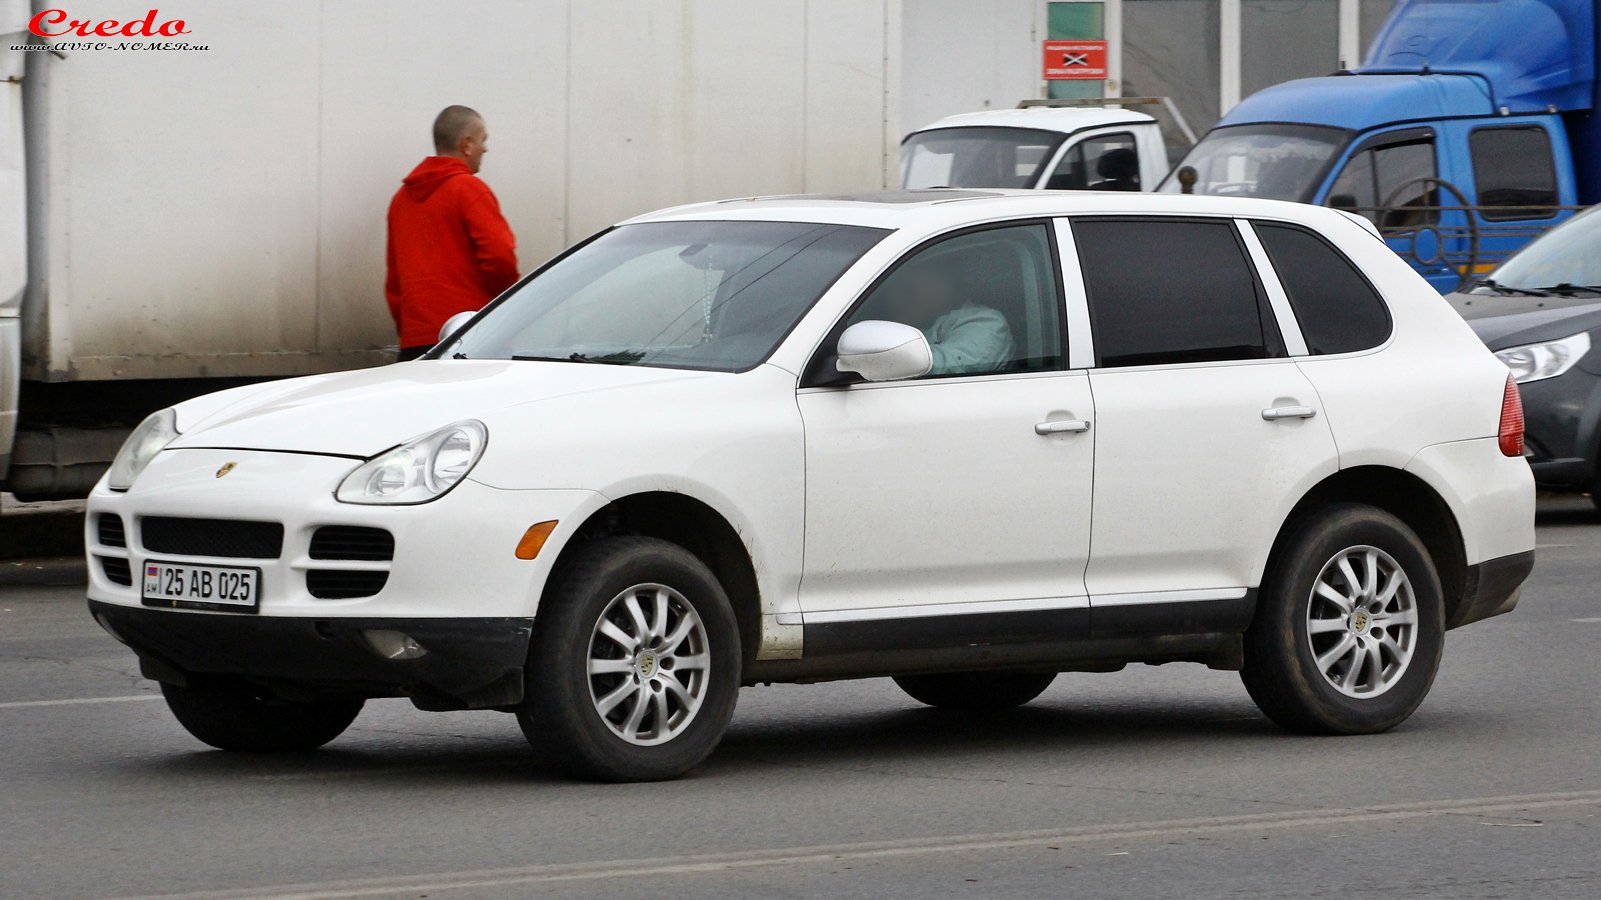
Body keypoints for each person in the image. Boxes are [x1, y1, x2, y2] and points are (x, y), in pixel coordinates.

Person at [385, 105, 519, 361]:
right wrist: (507, 316)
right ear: (466, 145)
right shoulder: (469, 190)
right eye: (483, 140)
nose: (485, 149)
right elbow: (500, 258)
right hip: (473, 337)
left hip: (416, 343)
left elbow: (394, 284)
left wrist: (412, 331)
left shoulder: (401, 200)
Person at [881, 261, 1014, 375]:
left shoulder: (986, 323)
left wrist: (878, 358)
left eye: (908, 290)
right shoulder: (924, 322)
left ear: (945, 284)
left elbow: (942, 365)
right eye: (892, 289)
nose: (895, 300)